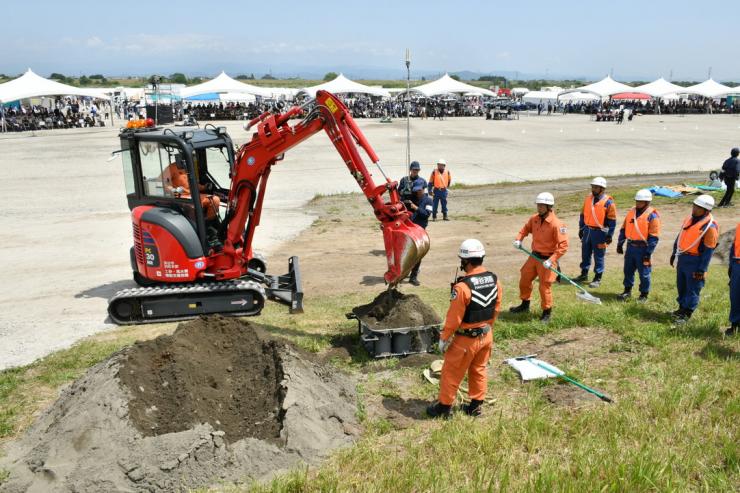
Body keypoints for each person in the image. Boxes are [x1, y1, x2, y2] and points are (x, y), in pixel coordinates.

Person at [427, 239, 502, 419]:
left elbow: (454, 318)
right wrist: (488, 328)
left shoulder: (462, 287)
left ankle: (444, 409)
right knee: (479, 370)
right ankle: (475, 407)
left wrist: (444, 338)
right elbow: (496, 308)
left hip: (466, 341)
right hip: (486, 335)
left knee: (450, 373)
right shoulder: (495, 280)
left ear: (465, 261)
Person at [510, 192, 569, 322]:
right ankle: (525, 304)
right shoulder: (534, 219)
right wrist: (519, 239)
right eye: (538, 205)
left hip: (547, 259)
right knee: (524, 278)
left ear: (549, 207)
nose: (539, 208)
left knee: (544, 286)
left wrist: (552, 260)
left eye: (542, 205)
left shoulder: (557, 224)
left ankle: (547, 312)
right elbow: (525, 229)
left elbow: (563, 246)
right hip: (534, 256)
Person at [670, 195, 719, 323]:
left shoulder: (710, 227)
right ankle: (681, 308)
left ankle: (687, 313)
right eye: (694, 206)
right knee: (682, 286)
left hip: (696, 261)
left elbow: (709, 250)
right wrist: (674, 252)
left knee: (692, 288)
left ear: (706, 210)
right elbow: (680, 236)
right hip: (683, 258)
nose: (695, 209)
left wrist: (701, 269)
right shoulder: (689, 219)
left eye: (698, 207)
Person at [616, 189, 661, 302]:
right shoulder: (631, 212)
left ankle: (643, 295)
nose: (638, 203)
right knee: (628, 270)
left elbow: (654, 237)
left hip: (643, 249)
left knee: (644, 273)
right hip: (631, 247)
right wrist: (620, 243)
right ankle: (627, 291)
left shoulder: (653, 216)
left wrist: (648, 253)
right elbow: (624, 228)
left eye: (640, 202)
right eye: (637, 201)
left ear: (647, 202)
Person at [575, 177, 617, 288]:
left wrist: (609, 235)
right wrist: (581, 228)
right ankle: (584, 274)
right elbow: (582, 214)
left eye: (596, 187)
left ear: (602, 188)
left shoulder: (609, 202)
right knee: (585, 253)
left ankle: (597, 278)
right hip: (587, 230)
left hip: (600, 233)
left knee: (599, 256)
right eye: (592, 187)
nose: (593, 189)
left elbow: (612, 221)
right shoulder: (588, 199)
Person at [161, 155, 221, 221]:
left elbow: (194, 184)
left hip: (192, 195)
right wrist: (173, 190)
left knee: (215, 200)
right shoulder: (171, 168)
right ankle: (195, 227)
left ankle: (207, 223)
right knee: (192, 206)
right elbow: (162, 182)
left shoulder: (190, 168)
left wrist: (204, 187)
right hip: (180, 197)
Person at [407, 183, 433, 286]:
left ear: (423, 189)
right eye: (416, 190)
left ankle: (413, 277)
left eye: (419, 190)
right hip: (409, 228)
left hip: (420, 230)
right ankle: (405, 272)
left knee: (418, 254)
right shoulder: (412, 198)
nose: (417, 192)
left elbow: (426, 215)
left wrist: (416, 208)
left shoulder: (428, 200)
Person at [726, 222, 740, 336]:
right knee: (735, 296)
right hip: (737, 264)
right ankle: (735, 325)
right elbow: (735, 245)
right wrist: (731, 265)